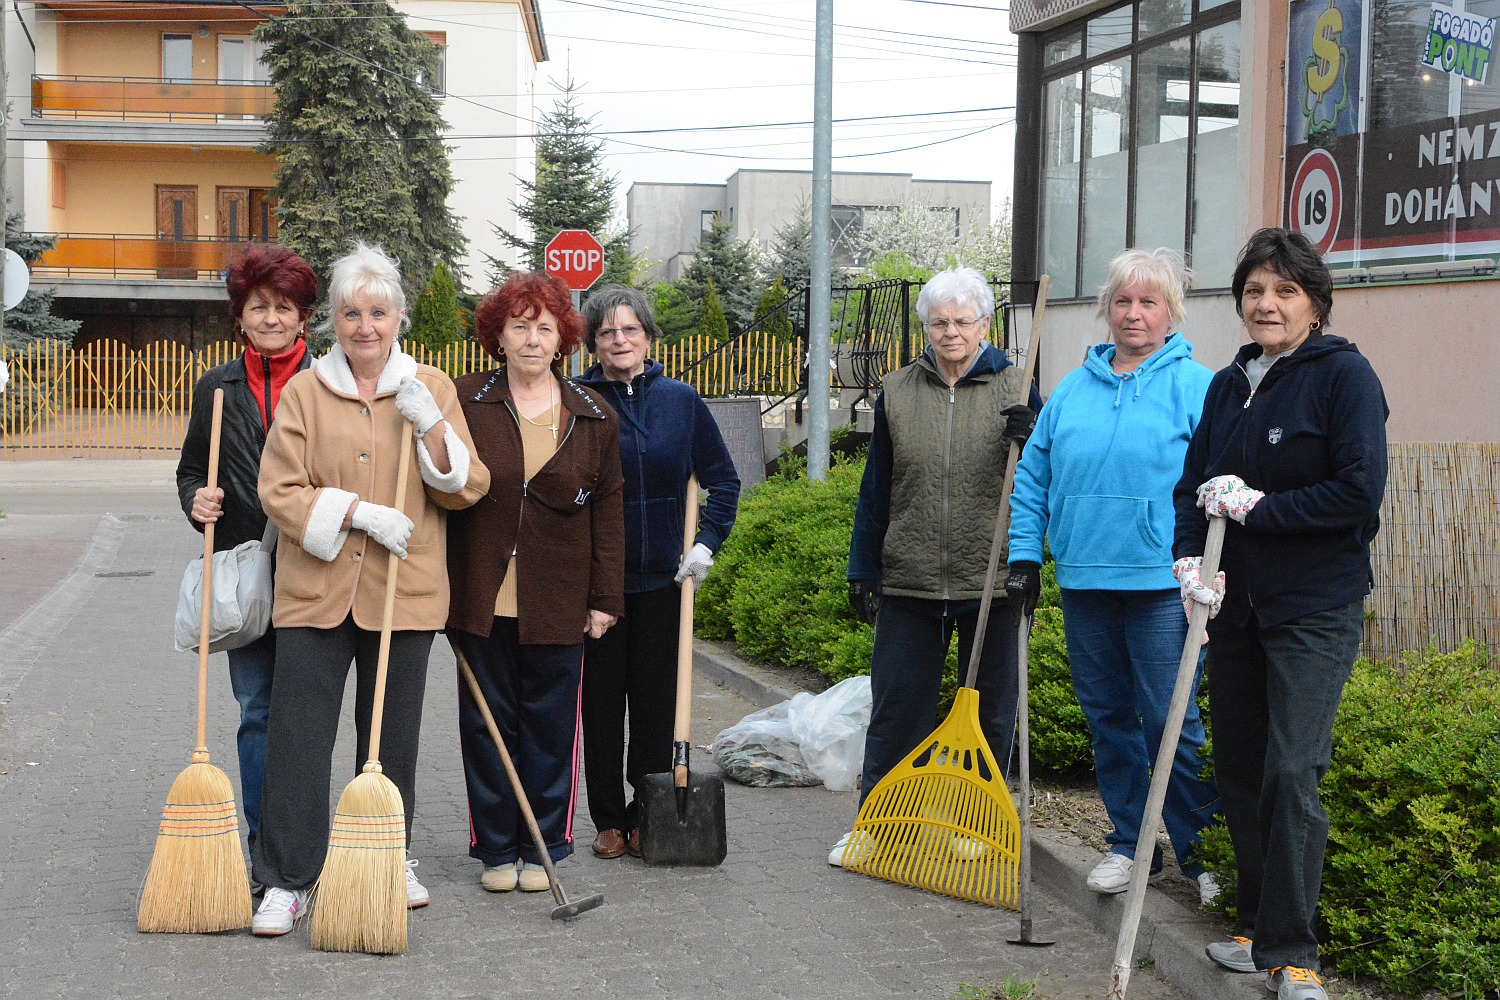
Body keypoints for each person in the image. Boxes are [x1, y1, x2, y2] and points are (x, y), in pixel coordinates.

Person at [249, 243, 489, 936]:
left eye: (378, 312)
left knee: (391, 739)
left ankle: (389, 854)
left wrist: (431, 424)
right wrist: (355, 512)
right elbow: (278, 489)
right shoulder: (306, 392)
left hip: (403, 594)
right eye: (351, 313)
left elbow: (469, 486)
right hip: (315, 593)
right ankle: (289, 879)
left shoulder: (432, 387)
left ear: (399, 318)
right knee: (298, 740)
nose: (365, 327)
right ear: (332, 321)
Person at [1175, 229, 1388, 1000]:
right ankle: (1260, 928)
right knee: (1240, 769)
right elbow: (1194, 486)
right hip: (1234, 610)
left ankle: (1295, 953)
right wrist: (1187, 559)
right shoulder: (1228, 384)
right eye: (1256, 290)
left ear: (1314, 304)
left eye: (1285, 291)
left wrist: (1260, 508)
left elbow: (1357, 493)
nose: (1267, 304)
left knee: (1293, 772)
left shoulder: (1344, 379)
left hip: (1312, 608)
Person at [1004, 248, 1220, 905]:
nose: (1134, 314)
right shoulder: (1072, 389)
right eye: (1123, 302)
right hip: (1086, 580)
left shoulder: (1198, 387)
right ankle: (1131, 844)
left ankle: (1203, 853)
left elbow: (1219, 486)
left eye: (1148, 302)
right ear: (1107, 310)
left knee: (1172, 719)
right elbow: (1034, 478)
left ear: (1170, 314)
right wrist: (1024, 556)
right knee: (1108, 720)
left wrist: (1215, 574)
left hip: (1162, 583)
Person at [831, 266, 1041, 866]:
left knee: (991, 712)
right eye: (938, 322)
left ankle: (974, 821)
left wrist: (1037, 432)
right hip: (911, 577)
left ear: (984, 325)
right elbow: (878, 488)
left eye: (961, 320)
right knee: (898, 708)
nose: (950, 332)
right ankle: (878, 823)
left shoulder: (1018, 387)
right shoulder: (897, 390)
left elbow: (1047, 481)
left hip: (992, 580)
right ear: (925, 327)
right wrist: (862, 566)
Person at [446, 273, 625, 893]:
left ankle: (544, 841)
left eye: (544, 327)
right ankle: (496, 848)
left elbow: (608, 511)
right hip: (480, 594)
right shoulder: (465, 402)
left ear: (563, 339)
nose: (531, 339)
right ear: (497, 334)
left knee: (551, 726)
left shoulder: (593, 413)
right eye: (518, 326)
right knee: (487, 723)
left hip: (560, 598)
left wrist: (605, 599)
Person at [576, 285, 740, 861]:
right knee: (600, 706)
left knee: (653, 705)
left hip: (665, 584)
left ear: (649, 336)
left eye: (630, 330)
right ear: (593, 342)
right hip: (597, 585)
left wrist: (706, 543)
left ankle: (646, 806)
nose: (619, 340)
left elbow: (724, 480)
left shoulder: (682, 402)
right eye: (607, 332)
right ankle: (606, 818)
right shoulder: (578, 401)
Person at [175, 243, 317, 874]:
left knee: (305, 716)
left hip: (316, 572)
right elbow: (187, 471)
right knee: (257, 711)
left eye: (283, 307)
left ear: (303, 317)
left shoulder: (328, 381)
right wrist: (195, 501)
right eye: (259, 307)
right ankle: (266, 852)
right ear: (241, 316)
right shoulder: (217, 387)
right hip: (243, 573)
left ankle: (303, 842)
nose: (271, 319)